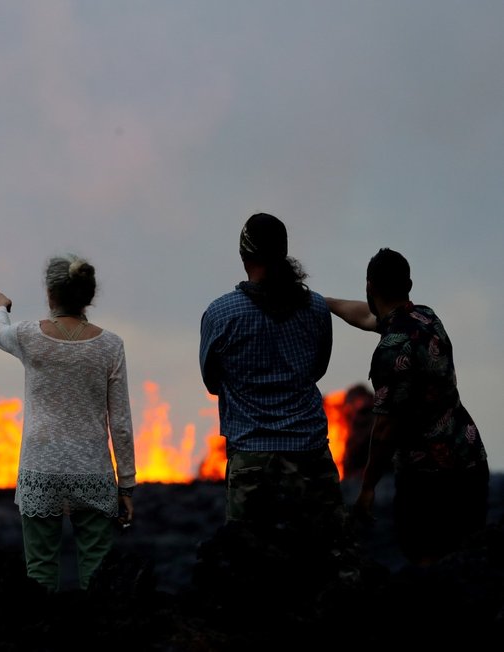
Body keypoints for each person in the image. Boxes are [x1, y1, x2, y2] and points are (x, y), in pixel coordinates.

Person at [327, 247, 489, 567]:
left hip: (429, 480)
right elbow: (365, 316)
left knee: (427, 564)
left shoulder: (391, 351)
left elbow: (385, 428)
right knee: (469, 563)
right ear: (409, 285)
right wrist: (323, 302)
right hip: (470, 460)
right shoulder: (427, 318)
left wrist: (368, 487)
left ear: (370, 286)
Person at [0, 253, 136, 592]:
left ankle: (45, 642)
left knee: (40, 573)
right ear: (88, 296)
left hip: (40, 469)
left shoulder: (28, 336)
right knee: (97, 574)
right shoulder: (111, 346)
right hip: (93, 472)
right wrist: (126, 485)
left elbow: (0, 334)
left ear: (50, 294)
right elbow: (122, 423)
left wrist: (1, 307)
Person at [199, 212, 346, 546]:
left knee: (248, 565)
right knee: (327, 557)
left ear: (244, 255)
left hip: (251, 457)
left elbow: (212, 382)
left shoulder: (220, 314)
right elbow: (318, 369)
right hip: (310, 455)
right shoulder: (316, 310)